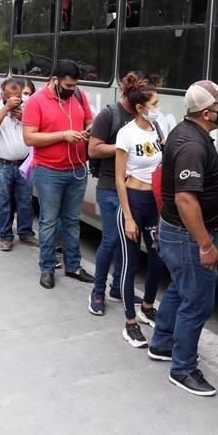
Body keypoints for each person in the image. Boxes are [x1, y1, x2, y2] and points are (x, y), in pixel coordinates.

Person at [149, 79, 218, 396]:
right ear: (209, 113)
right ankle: (182, 368)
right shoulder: (193, 145)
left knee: (179, 289)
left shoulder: (188, 133)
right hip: (187, 237)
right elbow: (186, 200)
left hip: (178, 235)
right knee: (197, 302)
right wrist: (205, 244)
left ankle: (161, 344)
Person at [23, 59, 95, 289]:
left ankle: (73, 265)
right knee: (49, 221)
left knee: (72, 221)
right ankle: (47, 267)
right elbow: (29, 137)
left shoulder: (79, 96)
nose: (71, 91)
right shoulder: (36, 101)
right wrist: (62, 135)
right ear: (54, 80)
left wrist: (90, 130)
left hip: (77, 168)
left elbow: (89, 120)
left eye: (74, 86)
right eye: (67, 86)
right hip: (49, 170)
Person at [113, 74, 165, 348]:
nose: (158, 107)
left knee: (157, 259)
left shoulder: (157, 128)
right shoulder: (126, 134)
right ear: (140, 108)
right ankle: (130, 323)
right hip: (133, 201)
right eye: (154, 103)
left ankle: (147, 306)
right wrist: (129, 218)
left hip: (154, 203)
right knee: (130, 264)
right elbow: (120, 179)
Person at [86, 73, 139, 314]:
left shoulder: (144, 118)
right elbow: (94, 149)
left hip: (135, 189)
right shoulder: (110, 114)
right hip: (109, 187)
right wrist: (121, 148)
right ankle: (98, 292)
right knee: (111, 239)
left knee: (128, 241)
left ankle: (119, 287)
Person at [0, 77, 37, 251]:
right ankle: (5, 236)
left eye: (17, 96)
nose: (13, 100)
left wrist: (24, 117)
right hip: (1, 164)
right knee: (3, 200)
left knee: (25, 200)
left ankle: (25, 232)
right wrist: (5, 109)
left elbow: (38, 129)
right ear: (3, 95)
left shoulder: (29, 109)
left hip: (24, 164)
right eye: (9, 97)